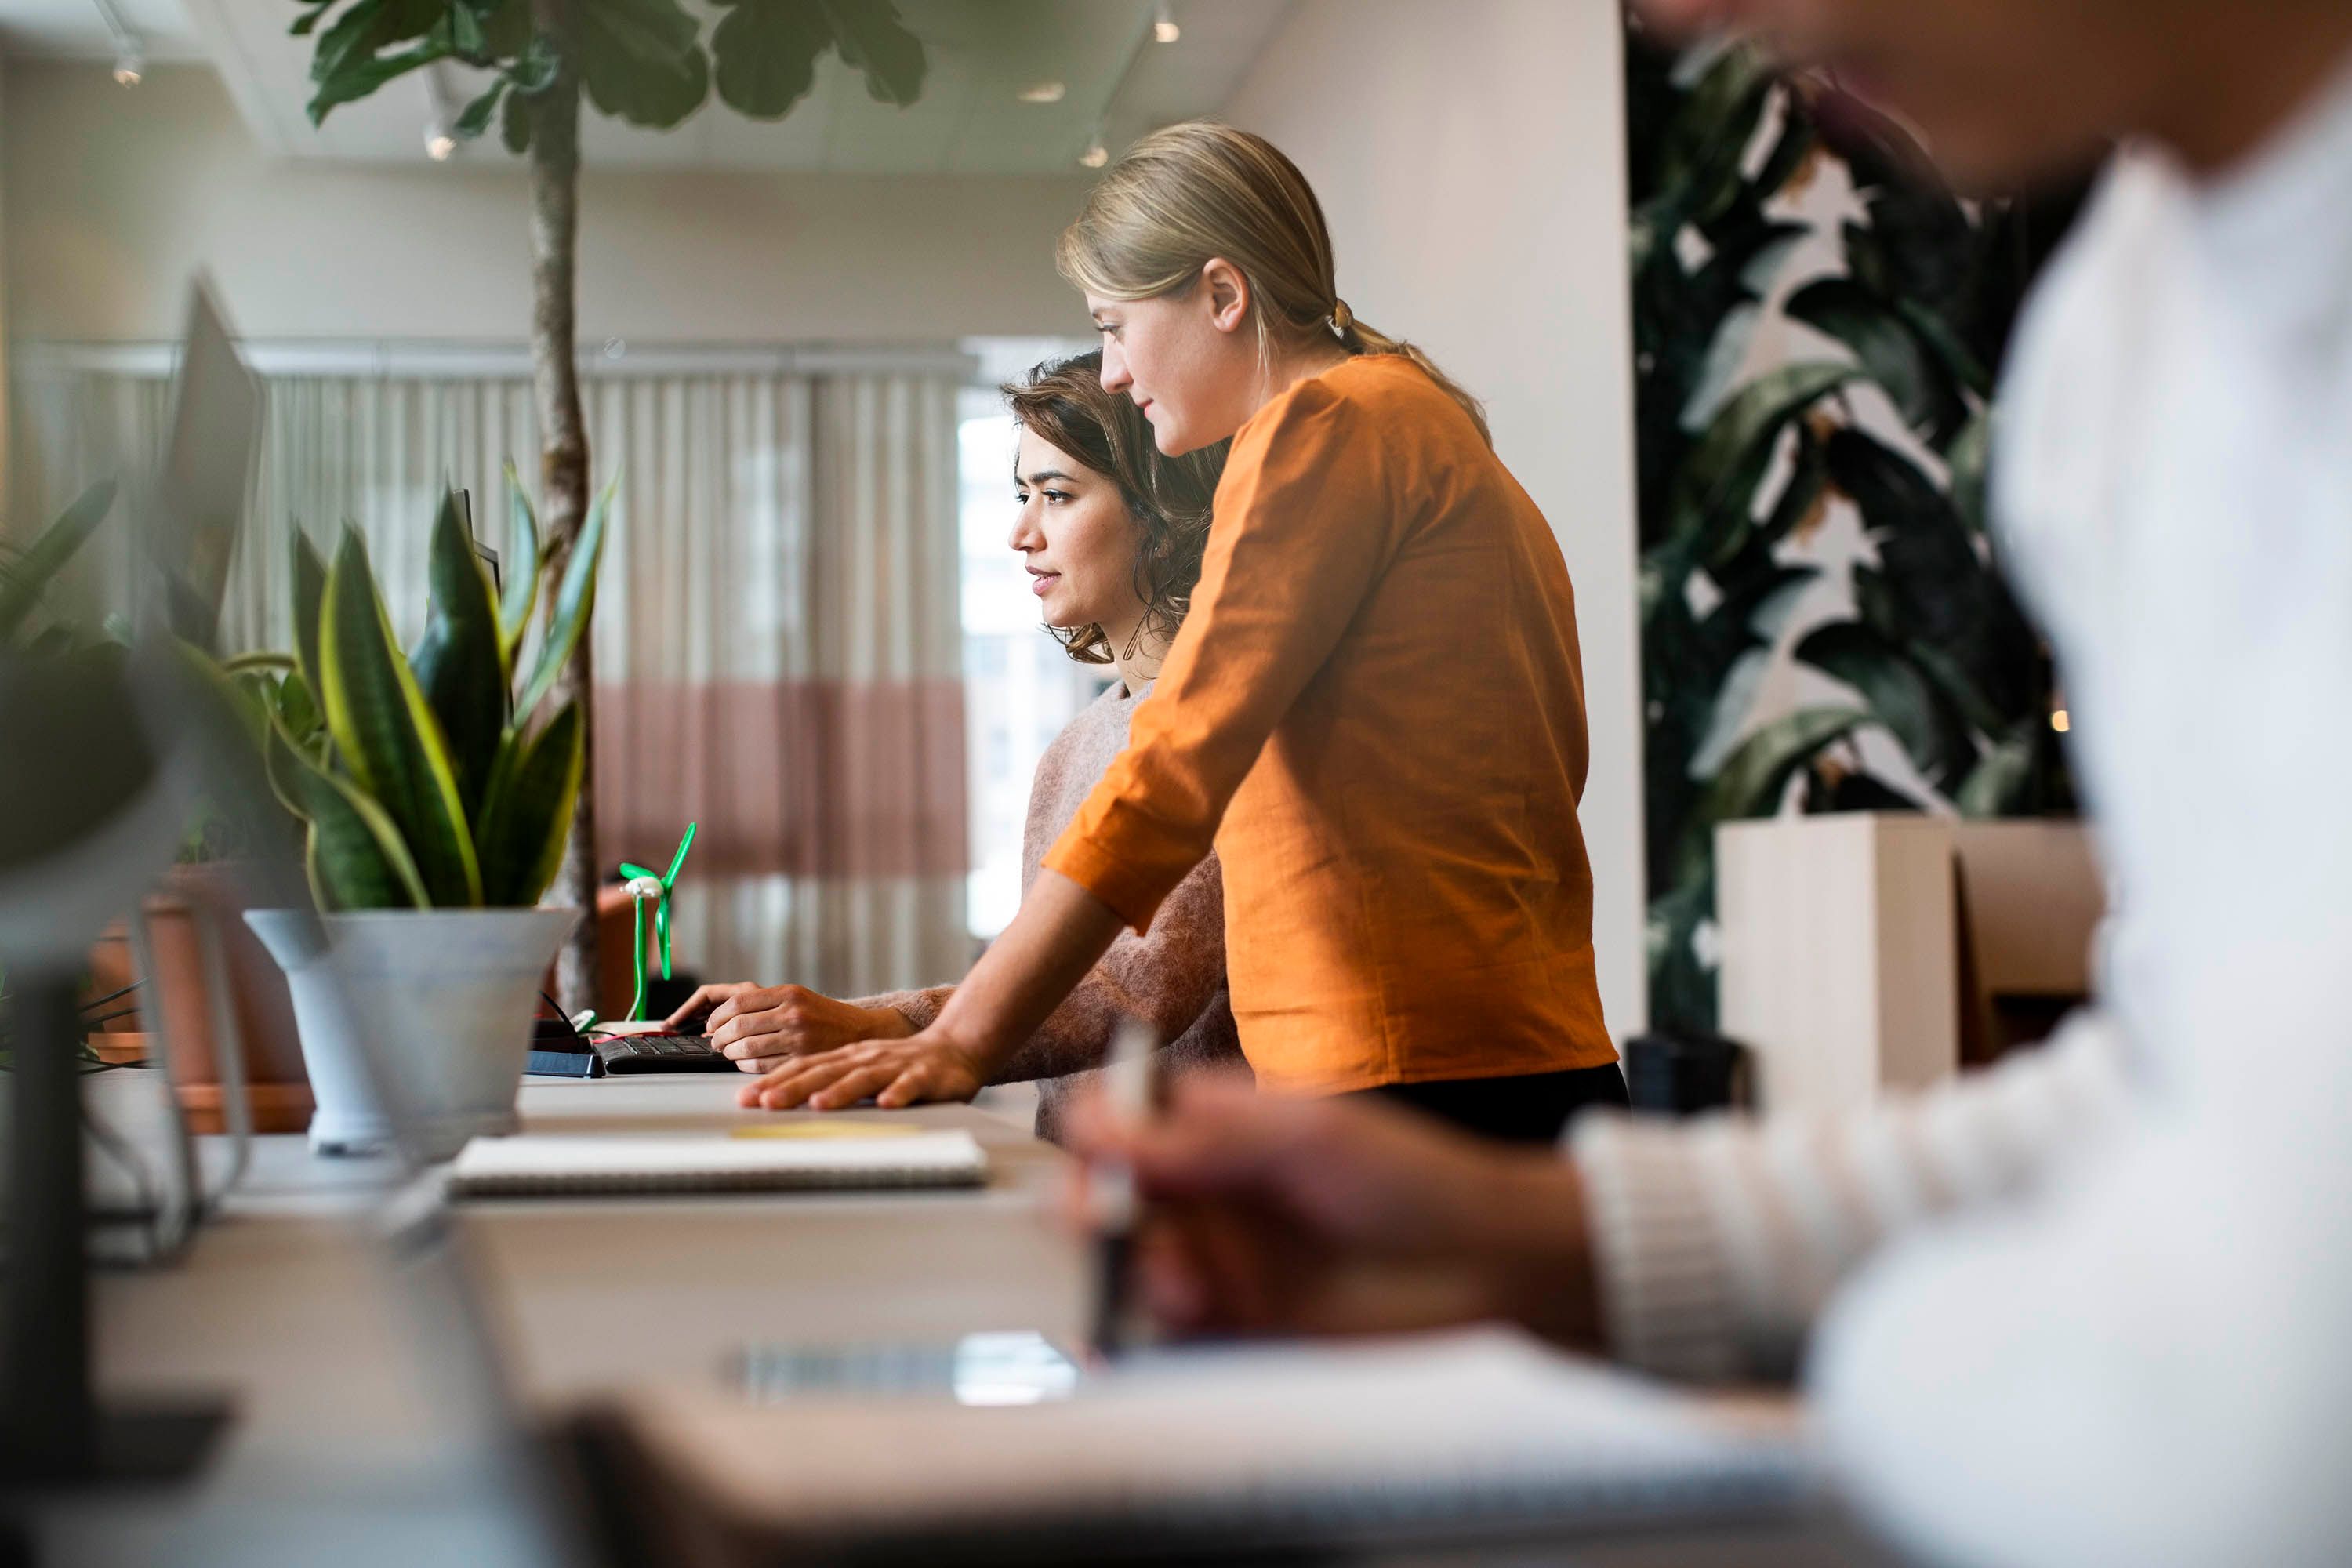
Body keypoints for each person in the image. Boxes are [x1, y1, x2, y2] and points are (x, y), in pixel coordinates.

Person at [1070, 3, 2352, 1565]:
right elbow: (2200, 1085)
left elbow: (2267, 1428)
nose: (1679, 16)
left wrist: (1869, 1372)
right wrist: (1553, 1240)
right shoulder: (2121, 355)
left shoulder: (1340, 422)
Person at [739, 122, 1626, 1144]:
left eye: (1115, 326)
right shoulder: (1424, 425)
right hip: (1508, 1058)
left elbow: (1175, 766)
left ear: (1221, 294)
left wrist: (961, 1041)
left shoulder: (1323, 426)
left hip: (1414, 1079)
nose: (1113, 370)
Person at [666, 354, 1243, 1142]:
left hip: (1194, 1204)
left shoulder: (1230, 719)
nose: (1020, 532)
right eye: (1021, 494)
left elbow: (1135, 986)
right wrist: (843, 1017)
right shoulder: (1075, 746)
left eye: (1058, 495)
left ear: (1162, 514)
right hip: (1077, 1177)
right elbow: (1046, 976)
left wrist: (884, 1025)